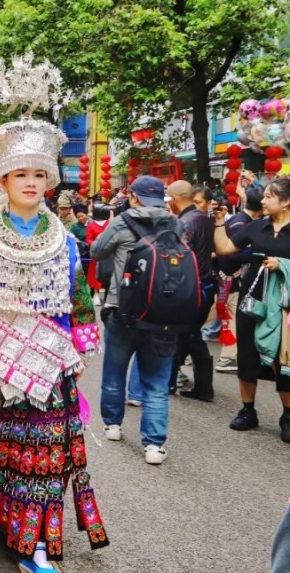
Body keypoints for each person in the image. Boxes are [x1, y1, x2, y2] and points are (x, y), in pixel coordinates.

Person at [0, 108, 107, 571]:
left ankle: (33, 542)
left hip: (50, 364)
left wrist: (80, 347)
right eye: (19, 174)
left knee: (42, 457)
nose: (29, 182)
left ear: (48, 180)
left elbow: (79, 296)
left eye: (37, 174)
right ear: (4, 181)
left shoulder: (65, 240)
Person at [91, 175, 184, 464]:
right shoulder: (176, 223)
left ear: (133, 197)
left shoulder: (123, 222)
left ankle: (113, 425)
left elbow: (96, 251)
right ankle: (154, 445)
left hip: (123, 309)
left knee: (115, 372)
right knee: (156, 382)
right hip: (163, 313)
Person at [214, 177, 290, 443]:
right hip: (252, 300)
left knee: (284, 362)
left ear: (285, 202)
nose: (263, 200)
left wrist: (283, 264)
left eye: (269, 196)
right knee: (247, 357)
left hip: (285, 306)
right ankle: (248, 410)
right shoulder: (256, 227)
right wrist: (217, 221)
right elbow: (225, 249)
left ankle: (288, 415)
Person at [166, 180, 216, 400]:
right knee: (187, 334)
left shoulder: (185, 223)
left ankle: (202, 387)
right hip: (205, 284)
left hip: (191, 288)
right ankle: (175, 380)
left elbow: (179, 258)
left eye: (169, 199)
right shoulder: (204, 218)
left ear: (175, 199)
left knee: (188, 334)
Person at [214, 189, 264, 374]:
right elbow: (229, 256)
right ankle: (226, 358)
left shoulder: (242, 221)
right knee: (225, 318)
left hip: (226, 278)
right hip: (226, 278)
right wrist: (255, 254)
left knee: (225, 317)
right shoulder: (242, 224)